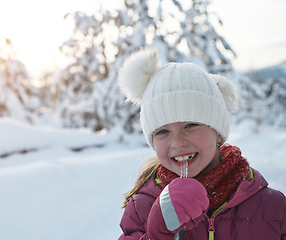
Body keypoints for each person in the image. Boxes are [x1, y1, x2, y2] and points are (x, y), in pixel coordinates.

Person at [117, 48, 286, 240]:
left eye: (190, 125)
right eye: (163, 131)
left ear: (217, 131)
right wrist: (156, 235)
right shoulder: (142, 209)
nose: (178, 142)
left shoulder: (271, 209)